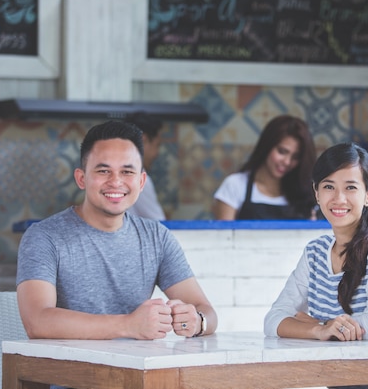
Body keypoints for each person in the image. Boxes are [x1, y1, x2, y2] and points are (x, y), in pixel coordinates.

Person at [16, 120, 217, 340]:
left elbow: (207, 312)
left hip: (137, 369)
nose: (116, 182)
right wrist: (128, 325)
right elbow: (37, 322)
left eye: (127, 172)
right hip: (67, 370)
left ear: (141, 182)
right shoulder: (44, 237)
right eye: (103, 171)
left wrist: (197, 321)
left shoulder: (156, 237)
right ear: (81, 178)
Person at [263, 142, 368, 389]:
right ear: (316, 193)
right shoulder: (315, 253)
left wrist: (316, 323)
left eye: (351, 187)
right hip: (346, 382)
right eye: (329, 186)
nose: (339, 198)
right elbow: (273, 320)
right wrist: (319, 330)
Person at [213, 115, 317, 220]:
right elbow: (224, 235)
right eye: (282, 151)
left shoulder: (305, 194)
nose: (287, 162)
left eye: (295, 157)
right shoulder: (235, 185)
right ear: (267, 145)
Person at [124, 112, 166, 220]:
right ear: (143, 140)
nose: (156, 154)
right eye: (157, 145)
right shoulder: (138, 180)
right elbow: (161, 227)